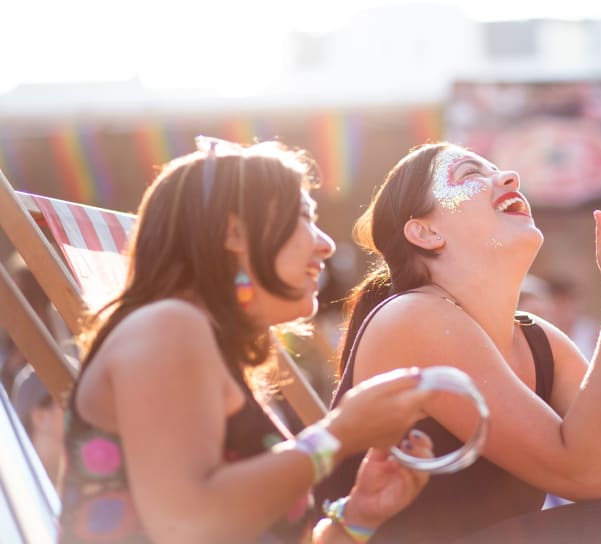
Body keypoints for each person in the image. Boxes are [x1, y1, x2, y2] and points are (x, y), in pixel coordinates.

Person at [318, 142, 601, 543]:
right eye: (471, 174)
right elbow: (583, 476)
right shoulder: (413, 317)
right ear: (424, 232)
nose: (508, 176)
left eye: (497, 169)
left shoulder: (536, 339)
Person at [57, 137, 440, 544]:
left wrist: (358, 515)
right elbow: (184, 526)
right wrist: (339, 435)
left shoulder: (197, 339)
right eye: (304, 216)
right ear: (234, 231)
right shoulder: (168, 326)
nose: (325, 243)